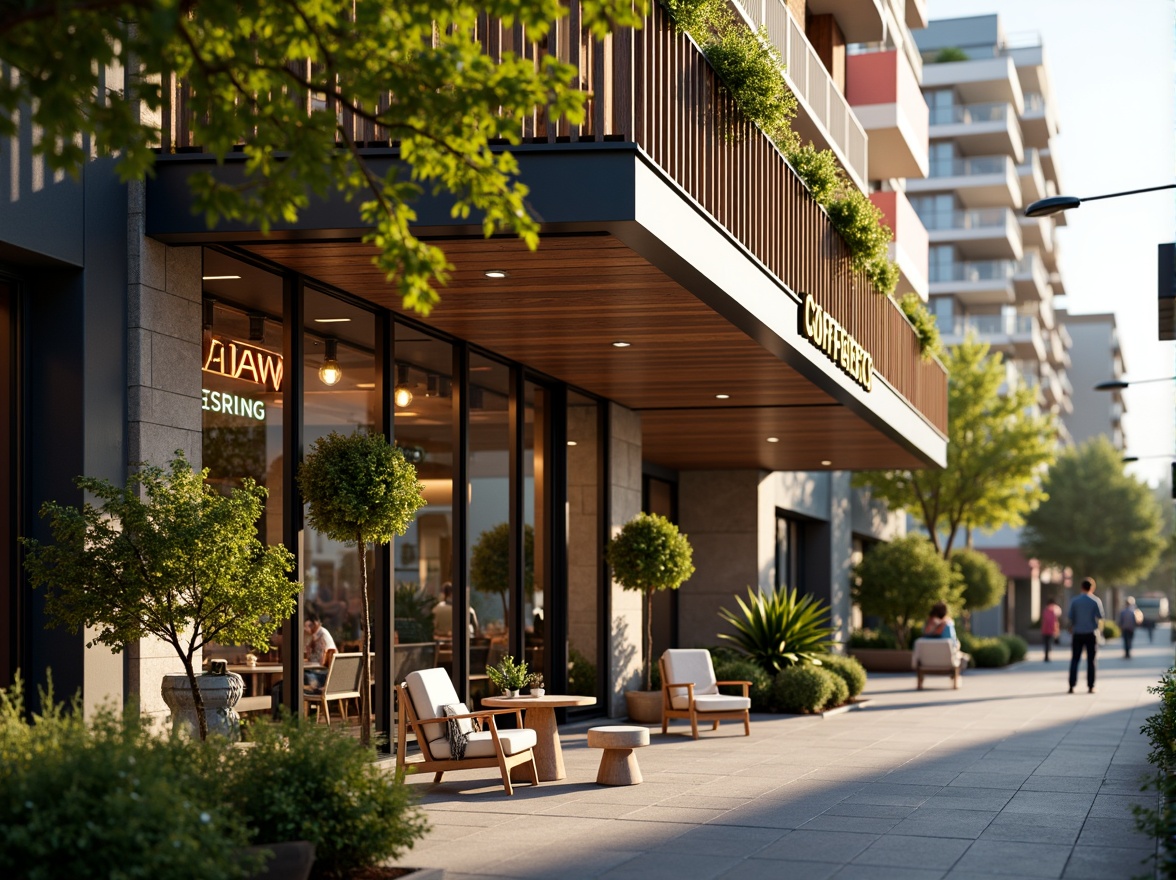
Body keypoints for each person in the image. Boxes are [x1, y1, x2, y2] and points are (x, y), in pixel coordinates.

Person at [1068, 577, 1105, 694]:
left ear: (1081, 587)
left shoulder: (1075, 601)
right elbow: (1101, 616)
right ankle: (1091, 686)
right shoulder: (1095, 601)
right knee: (1091, 660)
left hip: (1077, 633)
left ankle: (1071, 685)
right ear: (1092, 588)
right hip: (1091, 633)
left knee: (1075, 659)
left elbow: (1070, 617)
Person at [303, 611, 336, 691]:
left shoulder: (322, 635)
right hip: (319, 671)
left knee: (298, 677)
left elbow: (322, 661)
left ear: (316, 624)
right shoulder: (315, 635)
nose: (306, 629)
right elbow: (309, 657)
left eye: (310, 626)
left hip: (323, 675)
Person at [1041, 596, 1062, 662]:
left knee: (1047, 643)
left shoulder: (1046, 611)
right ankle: (1046, 656)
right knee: (1047, 643)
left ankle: (1046, 656)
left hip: (1047, 630)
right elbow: (1054, 622)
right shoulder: (1053, 611)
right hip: (1048, 630)